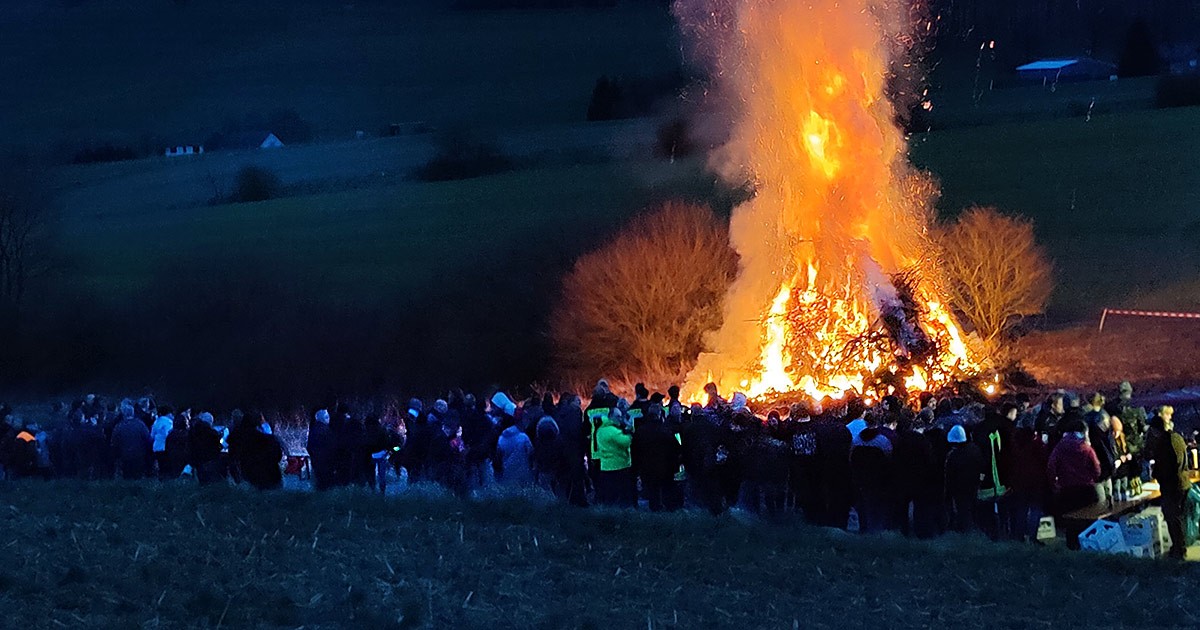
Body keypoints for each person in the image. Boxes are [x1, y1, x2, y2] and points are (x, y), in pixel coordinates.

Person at [1046, 417, 1101, 543]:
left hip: (1067, 490)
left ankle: (1072, 546)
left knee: (1071, 521)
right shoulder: (1086, 448)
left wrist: (1055, 484)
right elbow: (1096, 468)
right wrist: (1093, 478)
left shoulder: (1060, 447)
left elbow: (1051, 466)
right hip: (1086, 490)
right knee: (1088, 519)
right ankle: (1089, 545)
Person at [1147, 406, 1191, 560]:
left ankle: (1179, 550)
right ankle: (1180, 547)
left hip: (1172, 486)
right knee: (1179, 517)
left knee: (1173, 518)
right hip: (1183, 482)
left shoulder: (1164, 443)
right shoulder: (1177, 437)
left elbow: (1167, 467)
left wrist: (1156, 473)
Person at [632, 404, 683, 512]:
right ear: (659, 415)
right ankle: (669, 509)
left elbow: (635, 450)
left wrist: (637, 467)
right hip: (665, 467)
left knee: (652, 490)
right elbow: (676, 448)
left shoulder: (640, 431)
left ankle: (655, 510)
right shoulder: (665, 430)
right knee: (667, 489)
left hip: (647, 467)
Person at [944, 425, 983, 533]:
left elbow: (949, 475)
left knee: (963, 510)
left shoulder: (953, 455)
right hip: (974, 484)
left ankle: (965, 530)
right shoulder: (975, 449)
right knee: (972, 507)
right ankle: (974, 528)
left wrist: (948, 492)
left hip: (960, 488)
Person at [595, 408, 635, 507]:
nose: (620, 418)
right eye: (618, 416)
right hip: (619, 464)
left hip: (605, 465)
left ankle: (611, 512)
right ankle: (623, 512)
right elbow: (625, 442)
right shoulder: (613, 431)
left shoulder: (600, 430)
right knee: (622, 493)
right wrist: (630, 432)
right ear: (611, 417)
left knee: (610, 493)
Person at [238, 411, 283, 490]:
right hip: (272, 475)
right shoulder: (270, 439)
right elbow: (278, 455)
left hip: (256, 477)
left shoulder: (242, 439)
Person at [111, 401, 151, 480]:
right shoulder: (141, 425)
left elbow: (114, 442)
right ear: (133, 413)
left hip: (125, 456)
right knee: (138, 477)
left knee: (127, 477)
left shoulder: (119, 426)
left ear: (123, 414)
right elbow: (148, 439)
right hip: (139, 456)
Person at [495, 416, 535, 487]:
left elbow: (498, 457)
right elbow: (531, 453)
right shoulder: (523, 437)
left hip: (507, 473)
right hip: (524, 473)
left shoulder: (500, 439)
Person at [188, 412, 224, 485]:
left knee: (201, 481)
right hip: (209, 460)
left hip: (197, 461)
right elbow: (217, 447)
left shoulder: (193, 431)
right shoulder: (212, 433)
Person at [150, 406, 174, 480]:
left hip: (156, 447)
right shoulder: (168, 422)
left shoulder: (156, 421)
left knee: (160, 466)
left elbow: (152, 435)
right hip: (165, 447)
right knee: (166, 467)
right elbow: (169, 435)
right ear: (168, 413)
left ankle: (160, 480)